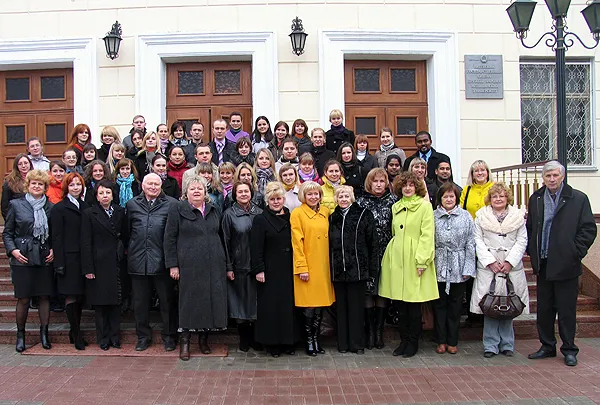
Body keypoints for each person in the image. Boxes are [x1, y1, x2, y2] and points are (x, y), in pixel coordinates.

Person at [526, 161, 597, 367]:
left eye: (555, 175)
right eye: (548, 175)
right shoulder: (536, 198)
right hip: (544, 263)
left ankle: (569, 349)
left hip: (567, 264)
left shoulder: (578, 198)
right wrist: (532, 250)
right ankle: (547, 346)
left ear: (562, 176)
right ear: (543, 177)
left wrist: (575, 252)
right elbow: (530, 227)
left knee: (566, 310)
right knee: (544, 309)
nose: (552, 179)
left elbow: (588, 229)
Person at [164, 176, 228, 360]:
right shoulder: (177, 209)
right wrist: (173, 265)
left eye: (200, 188)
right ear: (186, 192)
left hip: (213, 264)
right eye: (192, 189)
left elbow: (221, 236)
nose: (197, 191)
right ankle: (185, 342)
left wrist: (226, 264)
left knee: (209, 301)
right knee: (188, 302)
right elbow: (169, 238)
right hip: (188, 265)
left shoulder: (214, 209)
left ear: (205, 192)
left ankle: (203, 340)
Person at [380, 171, 438, 358]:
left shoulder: (425, 206)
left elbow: (427, 235)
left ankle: (413, 342)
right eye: (404, 185)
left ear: (417, 187)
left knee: (413, 304)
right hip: (397, 257)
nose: (407, 188)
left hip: (415, 258)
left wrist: (422, 260)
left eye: (411, 185)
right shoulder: (396, 206)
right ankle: (403, 340)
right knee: (400, 304)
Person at [470, 182, 529, 358]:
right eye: (494, 196)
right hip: (489, 267)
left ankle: (507, 344)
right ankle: (490, 345)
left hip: (511, 267)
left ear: (507, 198)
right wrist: (490, 262)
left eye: (501, 196)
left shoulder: (517, 217)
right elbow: (477, 240)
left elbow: (522, 240)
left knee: (508, 304)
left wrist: (510, 262)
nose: (498, 199)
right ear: (490, 198)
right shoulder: (481, 216)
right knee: (489, 305)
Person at [3, 170, 54, 353]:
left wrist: (53, 249)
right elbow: (7, 233)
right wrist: (13, 250)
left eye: (40, 184)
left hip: (43, 256)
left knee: (44, 296)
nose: (37, 186)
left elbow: (55, 232)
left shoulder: (50, 206)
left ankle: (44, 334)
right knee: (24, 298)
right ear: (28, 185)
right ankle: (20, 335)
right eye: (34, 183)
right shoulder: (16, 205)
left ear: (45, 187)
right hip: (22, 257)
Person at [127, 173, 178, 352]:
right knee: (140, 304)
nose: (153, 187)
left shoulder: (172, 204)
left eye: (156, 184)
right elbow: (127, 232)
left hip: (162, 262)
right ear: (143, 185)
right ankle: (143, 336)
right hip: (138, 261)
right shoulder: (132, 204)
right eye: (150, 184)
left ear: (161, 185)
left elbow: (174, 234)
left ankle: (169, 336)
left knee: (167, 302)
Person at [81, 179, 128, 351]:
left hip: (116, 262)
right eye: (101, 193)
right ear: (96, 196)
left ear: (112, 194)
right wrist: (88, 268)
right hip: (98, 263)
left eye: (108, 192)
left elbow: (125, 235)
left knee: (115, 303)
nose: (105, 196)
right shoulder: (89, 213)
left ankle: (115, 337)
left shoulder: (120, 211)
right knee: (101, 304)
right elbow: (85, 242)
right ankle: (103, 338)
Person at [250, 182, 296, 357]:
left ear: (284, 199)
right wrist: (259, 269)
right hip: (269, 269)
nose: (276, 202)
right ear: (267, 201)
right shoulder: (260, 219)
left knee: (288, 306)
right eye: (272, 199)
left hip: (288, 268)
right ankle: (272, 343)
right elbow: (256, 247)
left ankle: (288, 341)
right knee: (271, 307)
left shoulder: (291, 217)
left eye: (279, 199)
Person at [329, 186, 376, 354]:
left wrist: (372, 270)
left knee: (356, 309)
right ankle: (343, 344)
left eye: (346, 196)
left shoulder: (364, 214)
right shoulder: (332, 217)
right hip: (338, 271)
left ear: (352, 197)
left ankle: (357, 344)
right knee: (341, 309)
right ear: (336, 199)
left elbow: (372, 243)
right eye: (340, 196)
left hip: (358, 270)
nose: (343, 199)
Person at [291, 181, 335, 356]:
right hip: (308, 266)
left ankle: (317, 339)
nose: (313, 197)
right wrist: (302, 267)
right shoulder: (297, 213)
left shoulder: (325, 212)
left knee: (319, 306)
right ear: (303, 195)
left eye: (316, 193)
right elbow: (297, 243)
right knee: (309, 306)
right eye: (309, 194)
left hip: (323, 265)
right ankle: (309, 341)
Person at [355, 168, 398, 349]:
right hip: (366, 254)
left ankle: (379, 333)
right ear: (369, 183)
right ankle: (369, 332)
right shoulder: (361, 202)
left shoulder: (394, 201)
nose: (379, 185)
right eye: (375, 181)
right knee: (368, 291)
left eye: (382, 181)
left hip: (387, 252)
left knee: (382, 291)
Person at [433, 182, 475, 355]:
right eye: (445, 197)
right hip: (439, 264)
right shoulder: (433, 216)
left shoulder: (465, 216)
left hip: (459, 264)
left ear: (456, 198)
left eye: (451, 196)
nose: (449, 199)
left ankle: (452, 341)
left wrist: (468, 268)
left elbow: (471, 242)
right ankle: (440, 340)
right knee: (439, 305)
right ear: (440, 199)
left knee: (455, 306)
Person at [50, 172, 89, 350]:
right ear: (67, 187)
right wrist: (59, 262)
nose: (75, 187)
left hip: (83, 258)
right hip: (67, 259)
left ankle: (74, 331)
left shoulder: (86, 206)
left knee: (80, 296)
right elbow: (56, 237)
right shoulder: (59, 209)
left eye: (78, 184)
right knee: (71, 296)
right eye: (72, 185)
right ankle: (76, 333)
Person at [222, 181, 263, 352]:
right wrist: (228, 267)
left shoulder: (259, 212)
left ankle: (255, 337)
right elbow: (225, 242)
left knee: (255, 303)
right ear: (235, 195)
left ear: (251, 193)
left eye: (246, 191)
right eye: (240, 192)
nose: (244, 194)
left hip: (256, 266)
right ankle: (244, 338)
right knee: (240, 303)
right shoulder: (229, 215)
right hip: (238, 265)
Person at [2, 154, 33, 220]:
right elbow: (5, 207)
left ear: (30, 164)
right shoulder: (9, 182)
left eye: (26, 163)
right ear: (16, 166)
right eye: (20, 164)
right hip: (17, 219)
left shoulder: (36, 179)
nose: (23, 166)